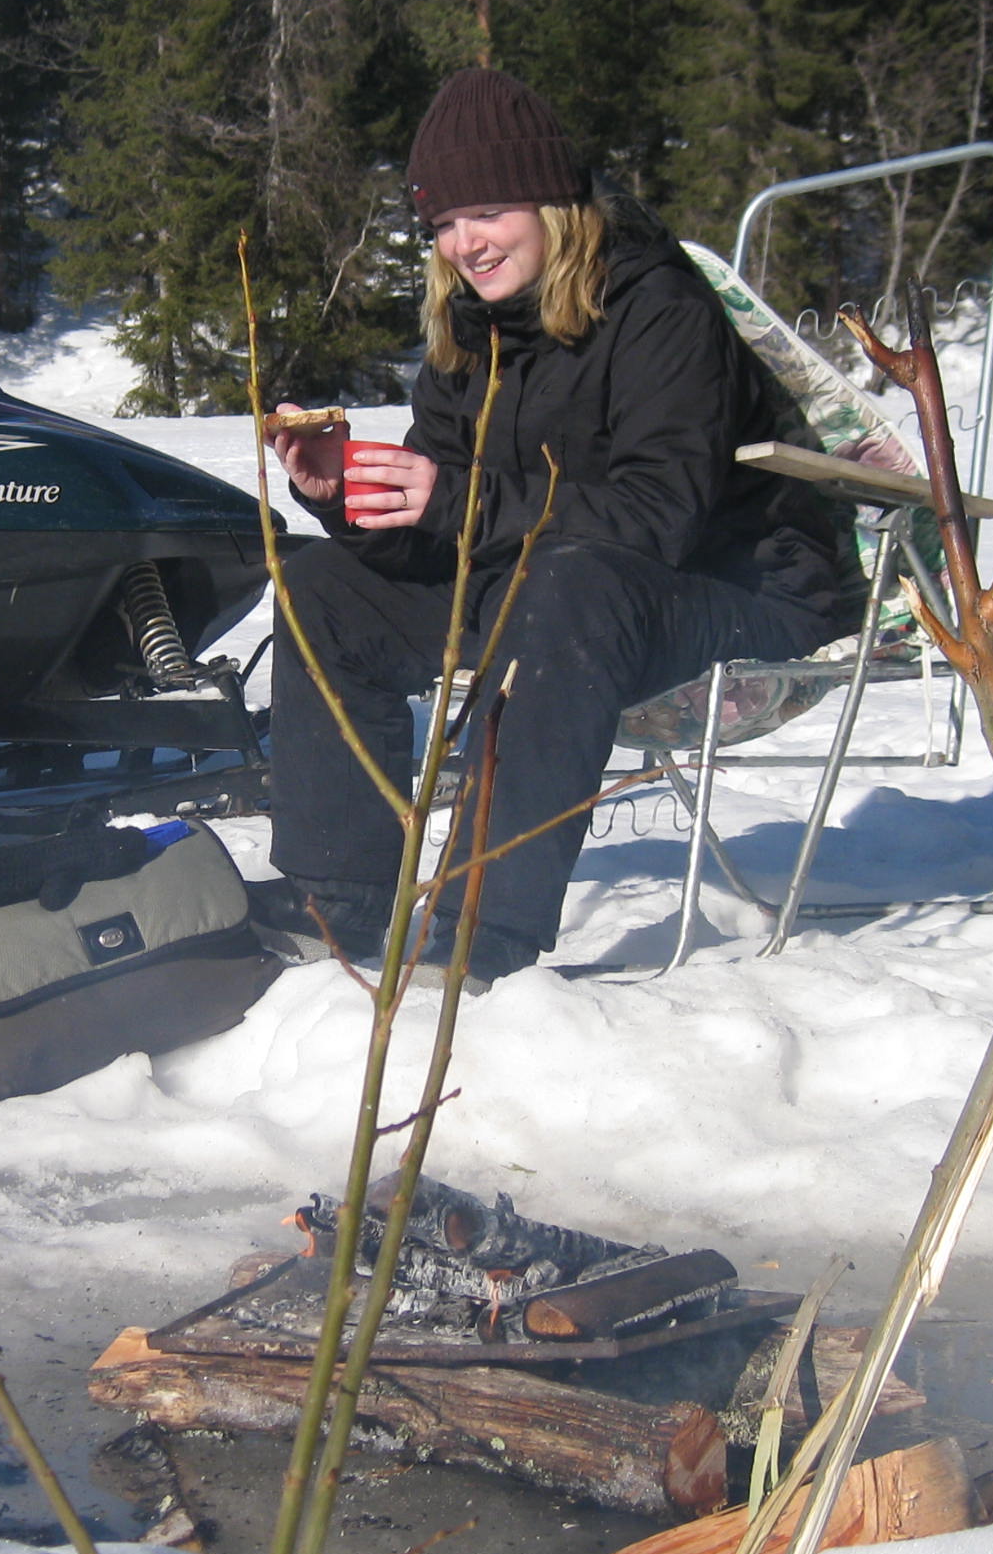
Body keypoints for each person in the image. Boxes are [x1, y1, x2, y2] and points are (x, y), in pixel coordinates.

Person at [261, 67, 863, 982]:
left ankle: (481, 929)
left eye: (488, 212)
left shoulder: (658, 310)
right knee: (323, 589)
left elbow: (661, 516)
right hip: (552, 587)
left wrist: (459, 499)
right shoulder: (471, 336)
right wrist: (344, 495)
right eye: (443, 224)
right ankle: (335, 899)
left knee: (569, 584)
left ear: (552, 204)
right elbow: (442, 534)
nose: (465, 243)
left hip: (734, 589)